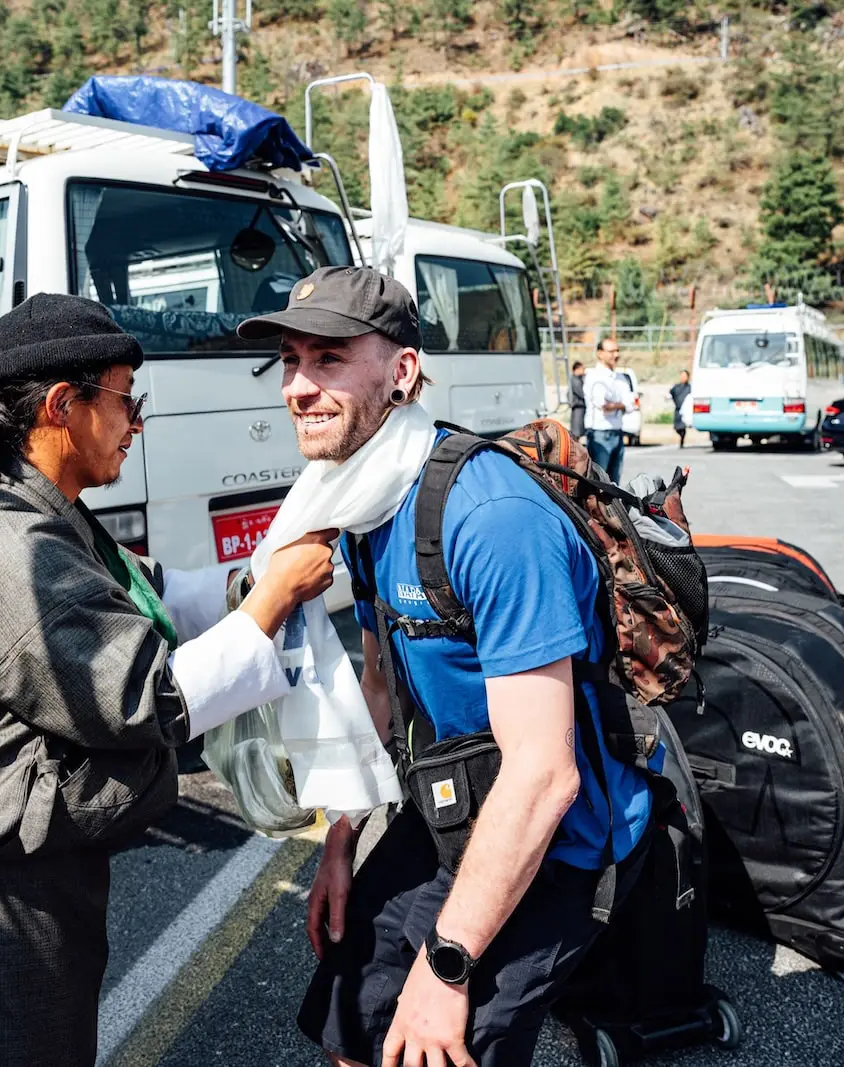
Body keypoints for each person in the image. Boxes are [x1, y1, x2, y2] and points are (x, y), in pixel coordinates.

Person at [0, 292, 337, 1067]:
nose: (138, 422)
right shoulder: (15, 552)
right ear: (63, 404)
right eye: (127, 399)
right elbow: (147, 697)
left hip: (35, 892)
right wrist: (274, 596)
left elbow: (154, 596)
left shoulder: (53, 516)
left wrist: (265, 568)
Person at [237, 266, 652, 1067]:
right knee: (352, 1034)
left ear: (401, 373)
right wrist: (342, 835)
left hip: (560, 835)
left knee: (433, 1043)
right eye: (290, 359)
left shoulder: (490, 519)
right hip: (451, 807)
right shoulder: (359, 498)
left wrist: (447, 961)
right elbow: (380, 688)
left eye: (327, 359)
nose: (296, 386)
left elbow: (545, 775)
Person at [583, 337, 630, 483]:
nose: (616, 355)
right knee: (598, 484)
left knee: (615, 484)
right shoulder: (594, 376)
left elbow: (632, 403)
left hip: (617, 432)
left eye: (617, 351)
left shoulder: (620, 378)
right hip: (599, 435)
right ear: (600, 353)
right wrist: (621, 404)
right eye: (611, 351)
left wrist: (617, 404)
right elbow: (603, 405)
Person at [670, 368, 692, 449]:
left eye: (685, 376)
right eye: (682, 376)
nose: (683, 378)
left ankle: (682, 440)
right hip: (678, 409)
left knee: (683, 426)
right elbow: (671, 394)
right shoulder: (676, 387)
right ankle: (681, 435)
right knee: (677, 427)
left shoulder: (690, 387)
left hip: (686, 410)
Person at [568, 360, 587, 440]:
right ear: (577, 369)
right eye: (582, 369)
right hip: (578, 407)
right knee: (576, 431)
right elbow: (582, 393)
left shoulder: (578, 379)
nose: (584, 371)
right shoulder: (575, 381)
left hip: (580, 408)